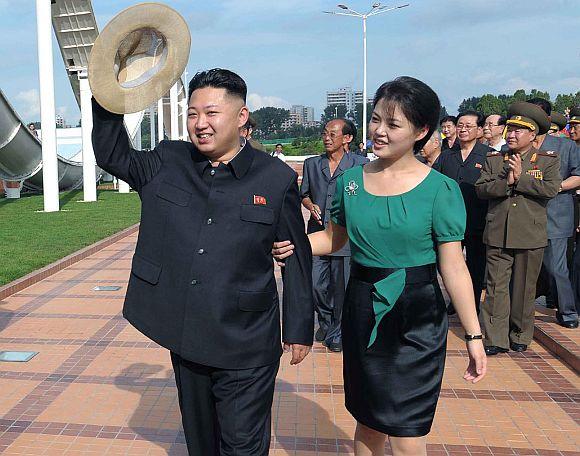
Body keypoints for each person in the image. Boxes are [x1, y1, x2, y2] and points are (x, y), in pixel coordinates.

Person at [92, 68, 314, 455]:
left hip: (247, 340)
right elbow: (112, 154)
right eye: (193, 114)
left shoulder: (275, 178)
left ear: (241, 117)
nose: (200, 124)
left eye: (211, 113)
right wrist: (107, 94)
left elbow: (296, 254)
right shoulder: (168, 160)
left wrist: (298, 326)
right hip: (188, 334)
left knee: (243, 446)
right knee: (202, 444)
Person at [275, 77, 486, 456]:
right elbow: (336, 239)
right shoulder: (350, 183)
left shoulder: (440, 189)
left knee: (407, 434)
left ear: (422, 130)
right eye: (375, 120)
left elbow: (452, 266)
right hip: (362, 311)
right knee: (369, 423)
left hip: (417, 317)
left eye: (393, 124)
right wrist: (293, 246)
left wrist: (473, 336)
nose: (379, 131)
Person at [475, 101, 561, 355]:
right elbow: (481, 189)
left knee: (524, 288)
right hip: (498, 232)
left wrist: (521, 178)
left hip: (529, 234)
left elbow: (551, 189)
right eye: (509, 130)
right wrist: (506, 181)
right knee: (495, 288)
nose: (511, 135)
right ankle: (495, 338)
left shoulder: (547, 161)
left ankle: (520, 333)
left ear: (533, 135)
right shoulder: (494, 159)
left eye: (518, 131)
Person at [301, 119, 368, 352]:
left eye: (332, 134)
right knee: (315, 284)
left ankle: (338, 331)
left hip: (345, 236)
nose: (327, 138)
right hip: (318, 233)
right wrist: (310, 206)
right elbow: (305, 194)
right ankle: (327, 322)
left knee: (341, 287)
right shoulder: (312, 164)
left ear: (347, 138)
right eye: (324, 133)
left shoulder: (360, 164)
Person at [527, 98, 580, 329]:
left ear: (547, 119)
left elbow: (578, 176)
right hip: (525, 215)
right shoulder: (518, 145)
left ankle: (567, 312)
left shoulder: (566, 146)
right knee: (525, 268)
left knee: (557, 267)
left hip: (556, 213)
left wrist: (555, 186)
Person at [434, 111, 491, 314]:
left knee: (475, 266)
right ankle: (455, 300)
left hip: (478, 220)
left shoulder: (489, 155)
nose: (463, 129)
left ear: (479, 129)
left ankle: (472, 304)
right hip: (450, 222)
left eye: (468, 126)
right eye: (460, 125)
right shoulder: (446, 155)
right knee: (446, 264)